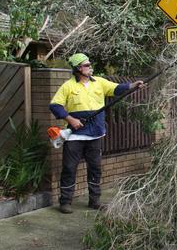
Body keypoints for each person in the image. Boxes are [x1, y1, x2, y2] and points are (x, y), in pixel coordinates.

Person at [49, 53, 145, 214]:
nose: (90, 67)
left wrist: (132, 85)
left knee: (95, 168)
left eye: (89, 64)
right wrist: (70, 119)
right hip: (75, 136)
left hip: (96, 135)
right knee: (69, 168)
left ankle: (95, 201)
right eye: (87, 65)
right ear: (78, 69)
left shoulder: (99, 82)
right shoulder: (68, 86)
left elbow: (116, 89)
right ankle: (65, 202)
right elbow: (55, 105)